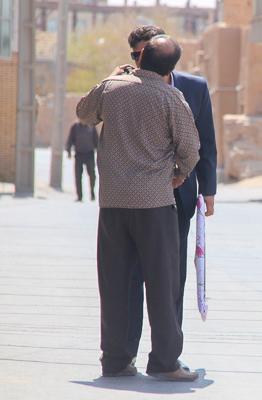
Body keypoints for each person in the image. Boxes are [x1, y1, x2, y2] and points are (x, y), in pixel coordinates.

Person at [76, 35, 201, 381]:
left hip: (113, 203)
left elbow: (84, 113)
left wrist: (109, 78)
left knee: (114, 284)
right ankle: (164, 361)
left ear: (140, 57)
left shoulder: (112, 88)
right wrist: (177, 175)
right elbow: (191, 150)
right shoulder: (171, 97)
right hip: (154, 205)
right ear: (171, 68)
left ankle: (116, 360)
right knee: (162, 286)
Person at [121, 25, 217, 366]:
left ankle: (166, 357)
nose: (141, 61)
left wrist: (208, 190)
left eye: (146, 54)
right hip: (133, 201)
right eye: (136, 55)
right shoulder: (123, 88)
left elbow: (205, 142)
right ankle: (125, 354)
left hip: (178, 201)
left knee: (171, 280)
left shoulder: (194, 87)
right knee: (131, 278)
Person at [65, 119, 98, 201]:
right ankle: (79, 196)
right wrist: (68, 150)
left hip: (90, 154)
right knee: (78, 176)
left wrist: (100, 152)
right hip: (79, 154)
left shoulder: (91, 126)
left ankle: (92, 193)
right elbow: (70, 139)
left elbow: (96, 140)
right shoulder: (75, 127)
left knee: (92, 174)